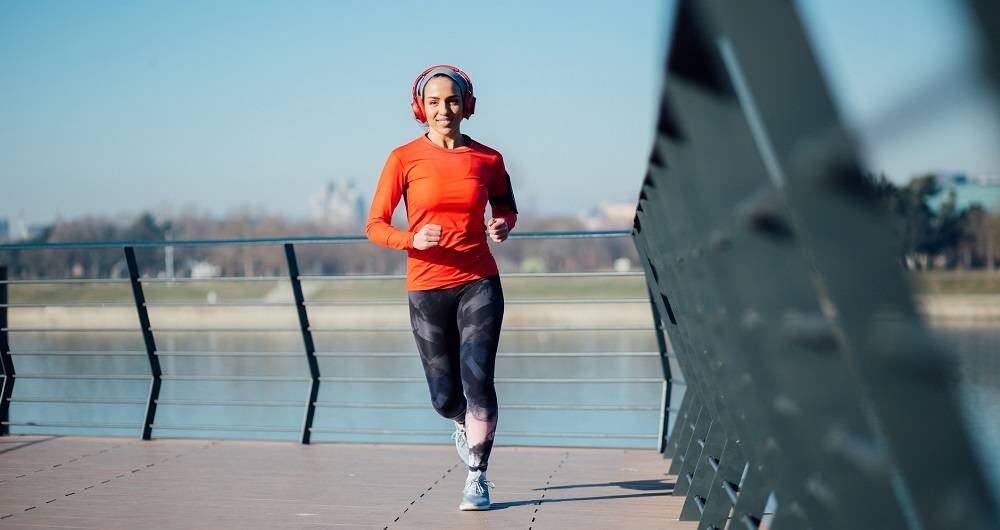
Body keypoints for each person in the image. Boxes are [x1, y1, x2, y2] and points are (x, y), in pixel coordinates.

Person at [365, 65, 518, 511]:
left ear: (467, 105)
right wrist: (411, 239)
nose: (443, 110)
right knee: (444, 396)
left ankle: (477, 476)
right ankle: (461, 421)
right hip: (426, 286)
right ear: (421, 108)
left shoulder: (488, 159)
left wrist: (502, 225)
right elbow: (375, 225)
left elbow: (506, 207)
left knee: (479, 379)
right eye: (433, 102)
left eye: (451, 100)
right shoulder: (403, 158)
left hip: (478, 281)